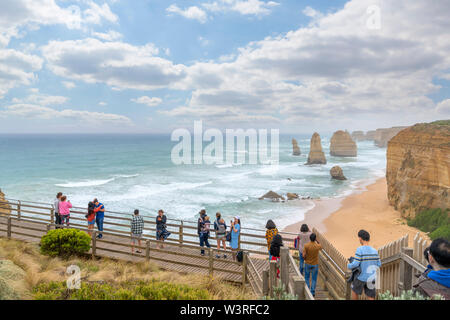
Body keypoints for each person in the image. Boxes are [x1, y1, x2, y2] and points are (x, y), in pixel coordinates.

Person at [347, 229, 381, 300]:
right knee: (371, 296)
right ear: (369, 239)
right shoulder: (375, 251)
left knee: (354, 291)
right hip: (372, 277)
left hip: (361, 277)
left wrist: (348, 265)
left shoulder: (360, 249)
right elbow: (379, 264)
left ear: (360, 238)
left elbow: (355, 264)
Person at [303, 233, 322, 297]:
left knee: (307, 277)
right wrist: (317, 241)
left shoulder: (306, 245)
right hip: (315, 264)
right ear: (315, 239)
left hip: (308, 263)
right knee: (314, 278)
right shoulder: (317, 246)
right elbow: (321, 246)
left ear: (309, 238)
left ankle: (307, 290)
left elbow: (303, 255)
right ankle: (312, 292)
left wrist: (305, 258)